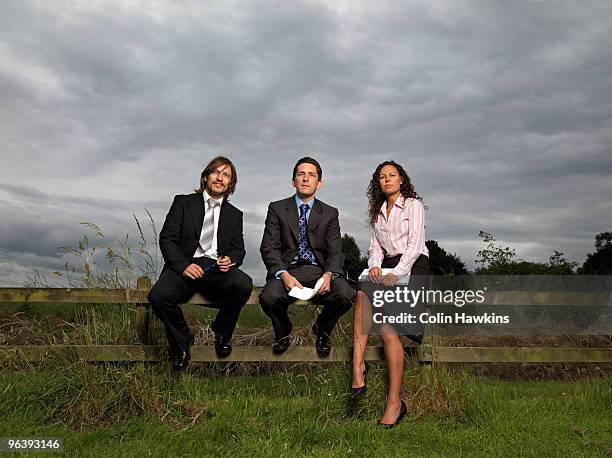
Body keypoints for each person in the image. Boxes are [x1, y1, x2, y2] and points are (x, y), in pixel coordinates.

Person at [148, 156, 253, 369]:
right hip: (184, 266)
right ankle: (182, 340)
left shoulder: (235, 215)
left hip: (215, 269)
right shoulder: (183, 202)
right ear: (206, 176)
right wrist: (183, 266)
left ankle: (222, 331)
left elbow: (239, 249)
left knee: (244, 284)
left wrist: (230, 260)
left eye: (226, 175)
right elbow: (167, 238)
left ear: (230, 184)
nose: (220, 178)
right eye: (216, 172)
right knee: (158, 296)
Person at [351, 160, 429, 428]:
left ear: (401, 179)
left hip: (414, 265)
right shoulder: (377, 213)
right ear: (378, 183)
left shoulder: (413, 205)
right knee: (361, 292)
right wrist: (375, 266)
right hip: (388, 266)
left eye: (392, 175)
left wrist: (398, 271)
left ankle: (394, 403)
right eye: (382, 177)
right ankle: (358, 368)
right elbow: (375, 248)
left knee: (387, 330)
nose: (387, 180)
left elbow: (415, 244)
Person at [259, 157, 355, 357]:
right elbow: (269, 248)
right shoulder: (277, 208)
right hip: (288, 270)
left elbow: (335, 251)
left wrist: (329, 275)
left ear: (319, 183)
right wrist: (283, 274)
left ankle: (322, 329)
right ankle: (283, 331)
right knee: (269, 296)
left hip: (319, 271)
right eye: (300, 174)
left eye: (311, 175)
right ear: (293, 181)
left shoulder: (330, 213)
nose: (305, 178)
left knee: (346, 294)